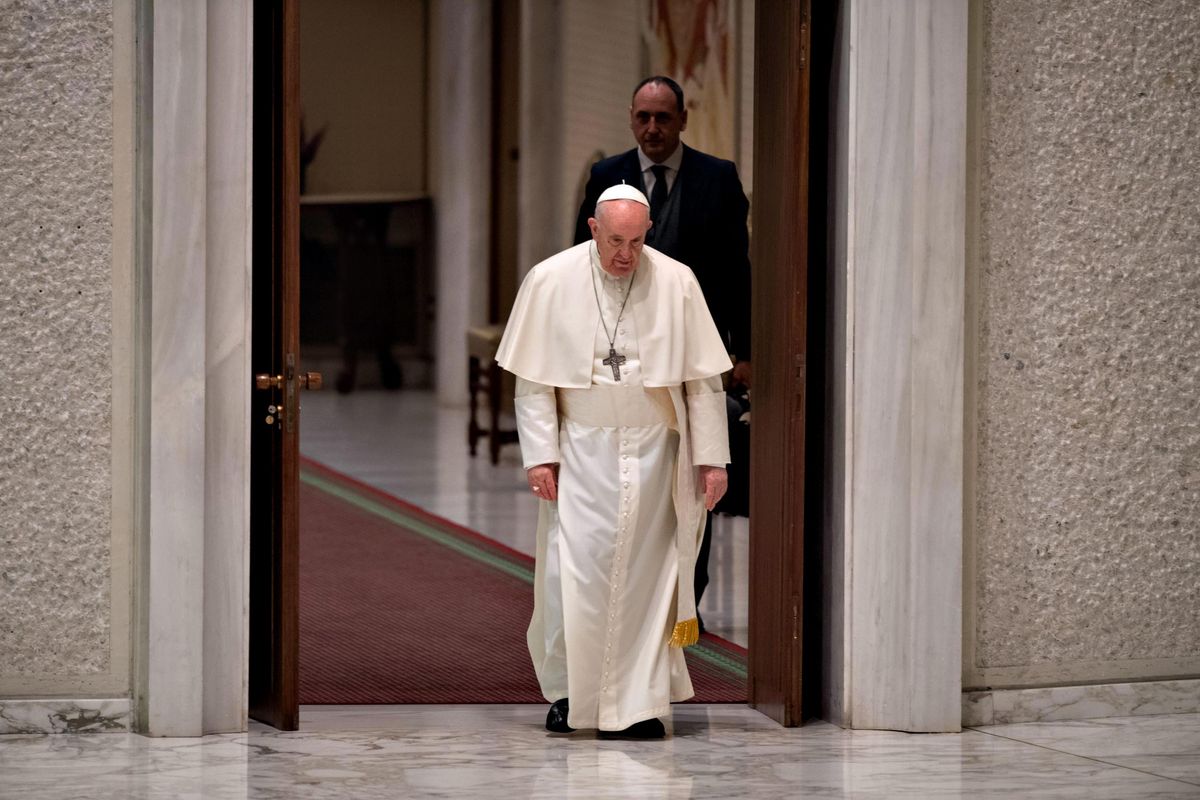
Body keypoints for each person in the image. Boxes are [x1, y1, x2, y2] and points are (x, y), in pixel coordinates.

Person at [497, 184, 731, 739]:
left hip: (657, 451)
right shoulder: (550, 280)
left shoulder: (676, 281)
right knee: (571, 576)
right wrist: (541, 457)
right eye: (615, 240)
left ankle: (639, 705)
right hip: (581, 448)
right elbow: (533, 384)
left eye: (637, 241)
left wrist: (713, 459)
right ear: (592, 228)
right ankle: (570, 695)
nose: (626, 254)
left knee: (649, 580)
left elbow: (703, 384)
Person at [573, 75, 751, 628]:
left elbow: (737, 272)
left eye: (663, 118)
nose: (653, 128)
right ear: (631, 118)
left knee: (693, 486)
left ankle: (684, 609)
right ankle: (621, 604)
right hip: (619, 362)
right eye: (644, 117)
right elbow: (581, 266)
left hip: (692, 359)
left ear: (682, 121)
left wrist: (743, 350)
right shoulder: (607, 176)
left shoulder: (717, 179)